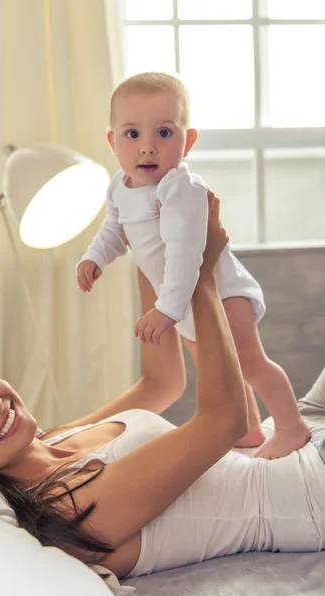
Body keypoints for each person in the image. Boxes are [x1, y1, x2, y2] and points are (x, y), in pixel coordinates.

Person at [0, 196, 325, 581]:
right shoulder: (68, 511)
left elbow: (162, 382)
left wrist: (148, 243)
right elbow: (224, 422)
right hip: (311, 490)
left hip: (298, 437)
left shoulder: (54, 440)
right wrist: (199, 268)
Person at [76, 71, 310, 459]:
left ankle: (291, 426)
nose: (148, 148)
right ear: (112, 140)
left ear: (189, 141)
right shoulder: (120, 186)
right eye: (133, 134)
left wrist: (165, 309)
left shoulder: (180, 188)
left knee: (248, 362)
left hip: (220, 293)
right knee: (219, 373)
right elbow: (114, 231)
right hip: (182, 304)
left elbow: (186, 254)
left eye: (164, 133)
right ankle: (249, 428)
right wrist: (94, 257)